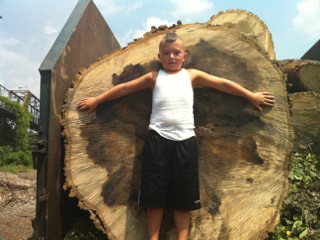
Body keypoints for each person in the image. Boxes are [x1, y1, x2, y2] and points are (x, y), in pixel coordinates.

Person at [77, 32, 275, 240]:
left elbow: (222, 83)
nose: (171, 57)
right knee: (154, 197)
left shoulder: (192, 76)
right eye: (166, 53)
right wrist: (97, 100)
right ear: (160, 57)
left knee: (184, 197)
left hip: (185, 142)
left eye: (176, 53)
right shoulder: (153, 78)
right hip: (157, 141)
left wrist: (250, 95)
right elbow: (124, 88)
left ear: (184, 56)